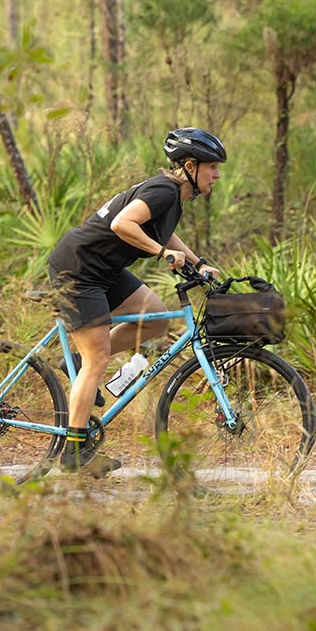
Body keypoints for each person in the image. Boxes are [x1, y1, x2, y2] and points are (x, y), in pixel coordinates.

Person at [47, 127, 226, 475]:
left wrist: (196, 262)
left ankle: (76, 364)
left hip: (105, 269)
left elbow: (164, 231)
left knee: (157, 318)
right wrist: (162, 253)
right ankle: (73, 453)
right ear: (190, 165)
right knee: (97, 358)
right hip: (79, 269)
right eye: (212, 167)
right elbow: (122, 223)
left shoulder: (175, 196)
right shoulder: (163, 189)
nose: (217, 174)